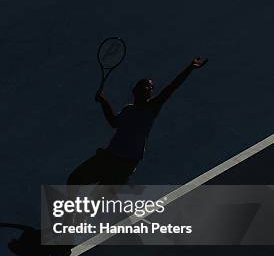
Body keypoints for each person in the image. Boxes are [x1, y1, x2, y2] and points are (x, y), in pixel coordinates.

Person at [67, 57, 209, 185]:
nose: (149, 88)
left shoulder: (152, 107)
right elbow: (113, 122)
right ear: (135, 90)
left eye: (151, 87)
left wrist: (190, 68)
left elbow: (172, 87)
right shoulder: (128, 110)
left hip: (125, 165)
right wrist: (104, 102)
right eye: (145, 85)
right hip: (108, 158)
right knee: (74, 181)